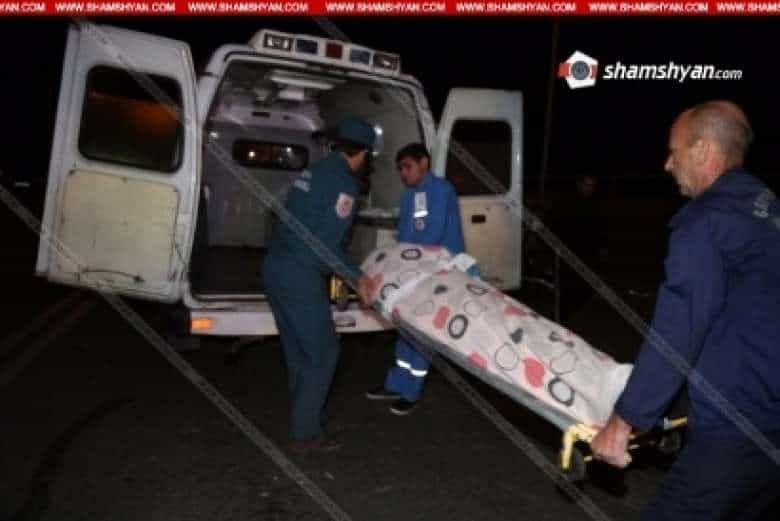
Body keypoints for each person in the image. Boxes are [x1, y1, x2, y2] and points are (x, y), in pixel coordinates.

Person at [591, 101, 780, 520]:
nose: (667, 164)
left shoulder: (705, 223)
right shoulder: (766, 210)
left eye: (673, 151)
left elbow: (679, 329)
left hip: (737, 429)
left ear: (701, 149)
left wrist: (624, 421)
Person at [263, 116, 375, 453]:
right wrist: (357, 277)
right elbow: (325, 245)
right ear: (364, 153)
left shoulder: (315, 170)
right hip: (300, 274)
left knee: (299, 353)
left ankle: (308, 417)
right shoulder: (345, 184)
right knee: (325, 353)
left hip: (274, 268)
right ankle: (305, 433)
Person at [365, 143, 466, 415]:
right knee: (405, 328)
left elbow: (433, 234)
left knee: (421, 333)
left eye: (407, 167)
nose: (403, 173)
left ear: (424, 163)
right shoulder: (410, 195)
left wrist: (405, 256)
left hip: (437, 272)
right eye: (400, 169)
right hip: (414, 271)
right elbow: (405, 235)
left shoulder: (441, 190)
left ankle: (411, 392)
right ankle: (396, 384)